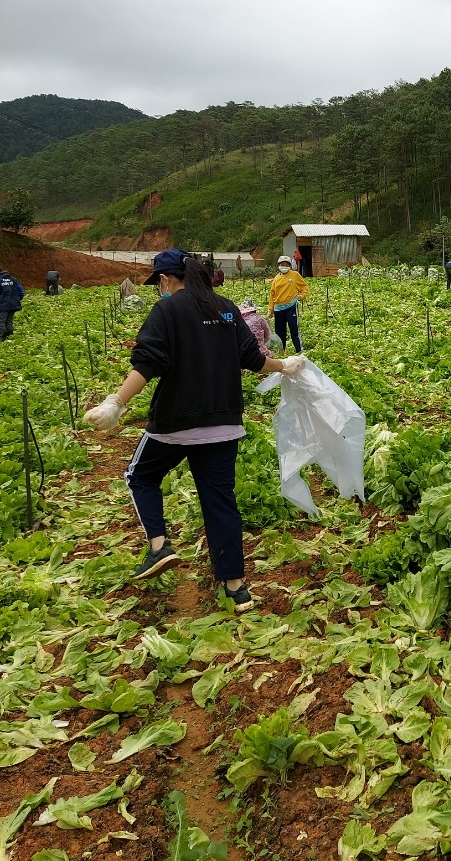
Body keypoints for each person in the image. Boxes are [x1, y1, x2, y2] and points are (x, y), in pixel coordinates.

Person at [82, 248, 304, 611]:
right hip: (223, 425)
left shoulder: (167, 310)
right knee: (220, 503)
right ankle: (237, 588)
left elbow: (148, 362)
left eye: (159, 283)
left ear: (167, 280)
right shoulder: (227, 308)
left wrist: (116, 402)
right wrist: (287, 365)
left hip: (175, 424)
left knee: (140, 476)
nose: (159, 289)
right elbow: (255, 360)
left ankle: (159, 546)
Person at [268, 255, 309, 352]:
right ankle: (281, 352)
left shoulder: (295, 275)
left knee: (294, 330)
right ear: (279, 265)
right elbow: (272, 295)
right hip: (279, 309)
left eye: (287, 265)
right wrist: (271, 310)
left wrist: (302, 296)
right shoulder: (276, 278)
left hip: (291, 306)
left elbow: (304, 286)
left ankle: (299, 351)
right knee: (280, 332)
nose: (284, 266)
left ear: (290, 265)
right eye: (282, 264)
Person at [0, 266, 25, 341]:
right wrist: (16, 300)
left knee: (1, 321)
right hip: (13, 304)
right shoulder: (13, 279)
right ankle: (9, 337)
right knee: (9, 321)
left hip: (2, 305)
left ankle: (1, 338)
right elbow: (21, 292)